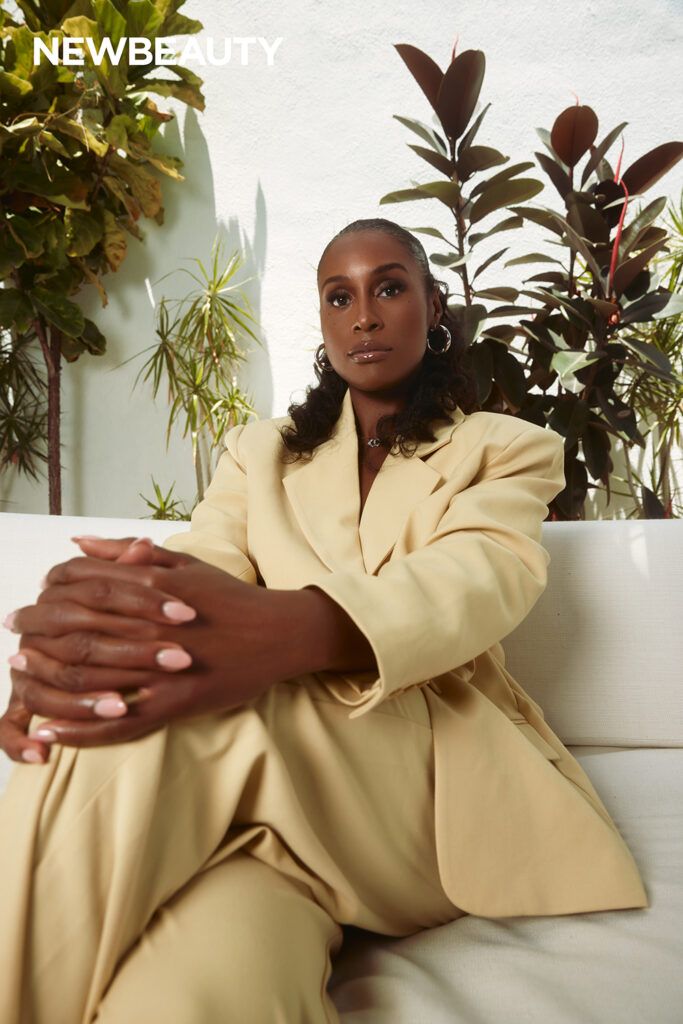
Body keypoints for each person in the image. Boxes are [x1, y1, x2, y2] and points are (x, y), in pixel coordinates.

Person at [0, 218, 648, 1024]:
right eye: (338, 296)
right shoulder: (259, 453)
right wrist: (107, 617)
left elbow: (479, 576)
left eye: (387, 287)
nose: (363, 316)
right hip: (274, 831)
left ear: (431, 305)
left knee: (176, 712)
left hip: (416, 788)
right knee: (196, 987)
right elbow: (203, 563)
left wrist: (282, 635)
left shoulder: (506, 447)